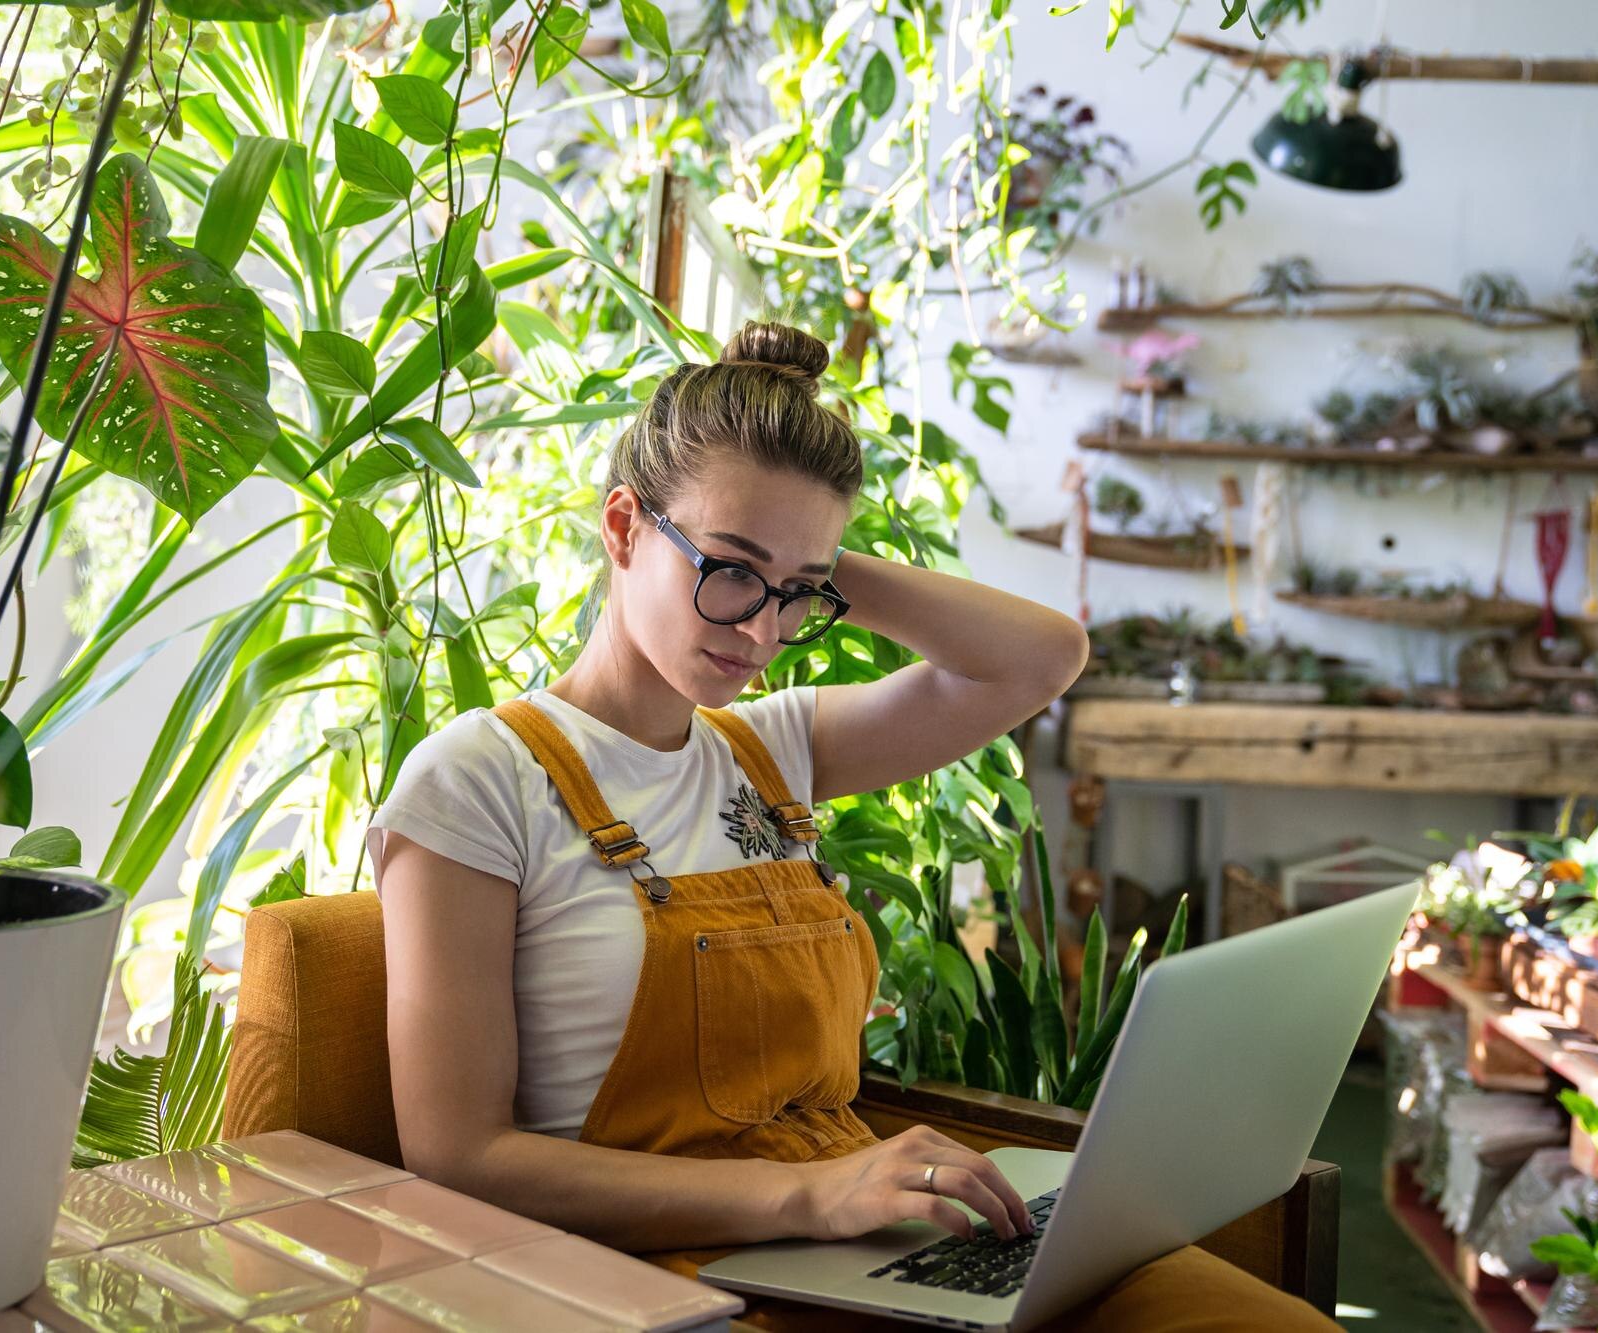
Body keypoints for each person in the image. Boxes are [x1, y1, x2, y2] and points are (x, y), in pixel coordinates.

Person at [369, 321, 1339, 1330]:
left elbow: (1039, 659)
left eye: (796, 594)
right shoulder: (480, 778)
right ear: (622, 528)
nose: (760, 632)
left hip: (851, 1230)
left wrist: (802, 551)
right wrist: (808, 1197)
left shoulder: (768, 749)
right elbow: (457, 1155)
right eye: (730, 570)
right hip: (667, 1270)